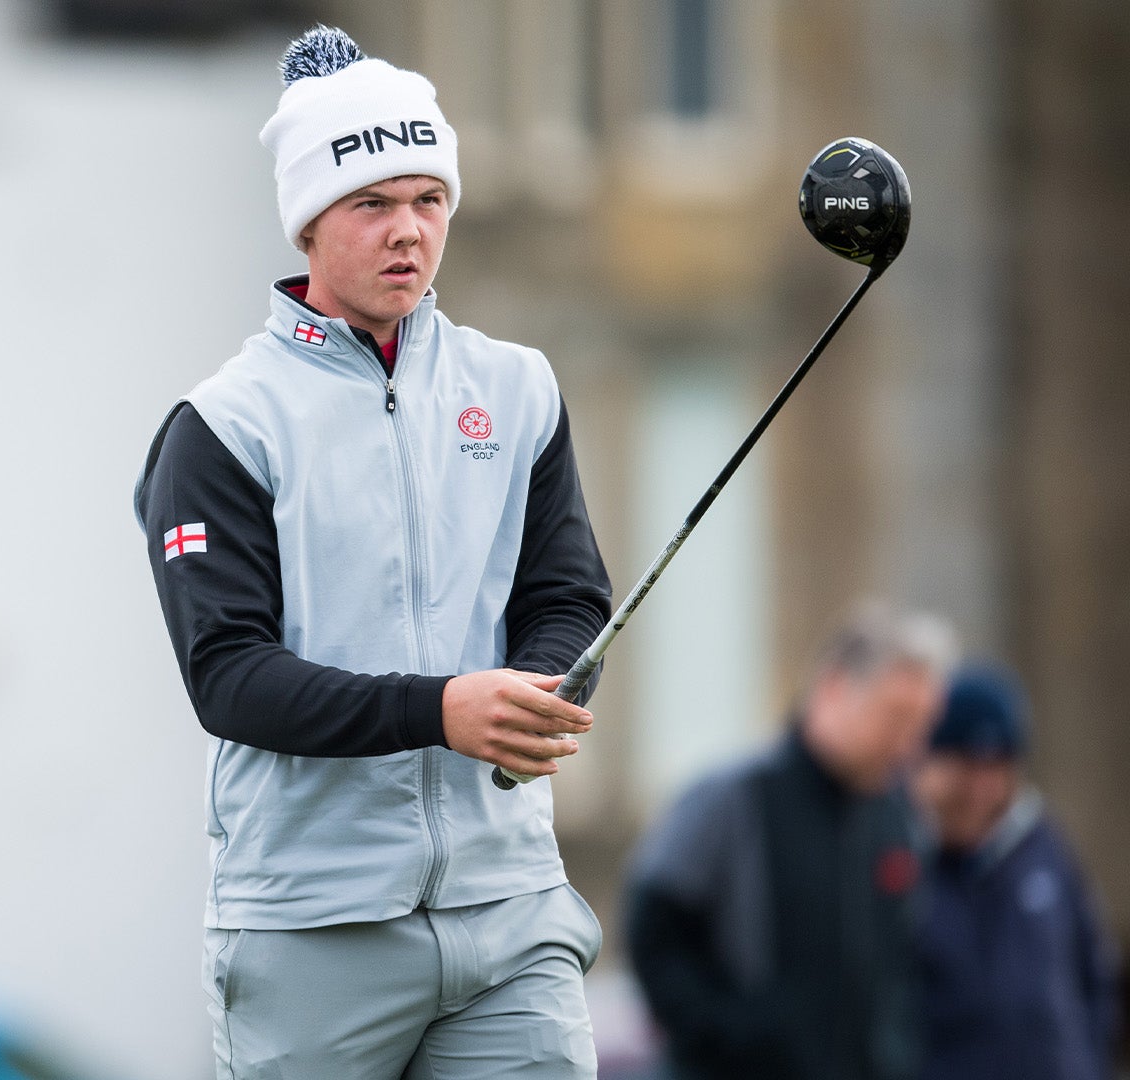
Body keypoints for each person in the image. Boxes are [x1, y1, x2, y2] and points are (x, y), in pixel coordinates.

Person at [133, 25, 613, 1079]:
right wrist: (444, 710)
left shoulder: (517, 388)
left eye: (427, 199)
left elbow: (567, 592)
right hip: (311, 927)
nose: (408, 231)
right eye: (372, 204)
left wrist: (543, 683)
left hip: (509, 908)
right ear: (309, 223)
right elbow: (231, 678)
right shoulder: (221, 427)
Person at [623, 602, 955, 1080]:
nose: (909, 745)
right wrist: (732, 1036)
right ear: (834, 688)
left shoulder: (900, 819)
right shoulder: (730, 799)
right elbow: (654, 937)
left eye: (922, 725)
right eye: (896, 717)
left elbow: (903, 968)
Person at [911, 664, 1118, 1080]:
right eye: (965, 766)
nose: (979, 789)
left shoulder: (1045, 850)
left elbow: (1094, 978)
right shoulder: (893, 862)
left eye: (996, 767)